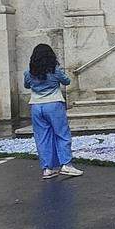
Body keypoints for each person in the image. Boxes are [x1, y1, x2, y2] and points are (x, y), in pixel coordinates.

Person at [24, 42, 80, 180]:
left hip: (36, 106)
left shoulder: (29, 72)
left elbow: (26, 85)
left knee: (42, 138)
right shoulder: (54, 70)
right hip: (54, 104)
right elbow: (66, 81)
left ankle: (47, 168)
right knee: (62, 134)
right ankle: (66, 164)